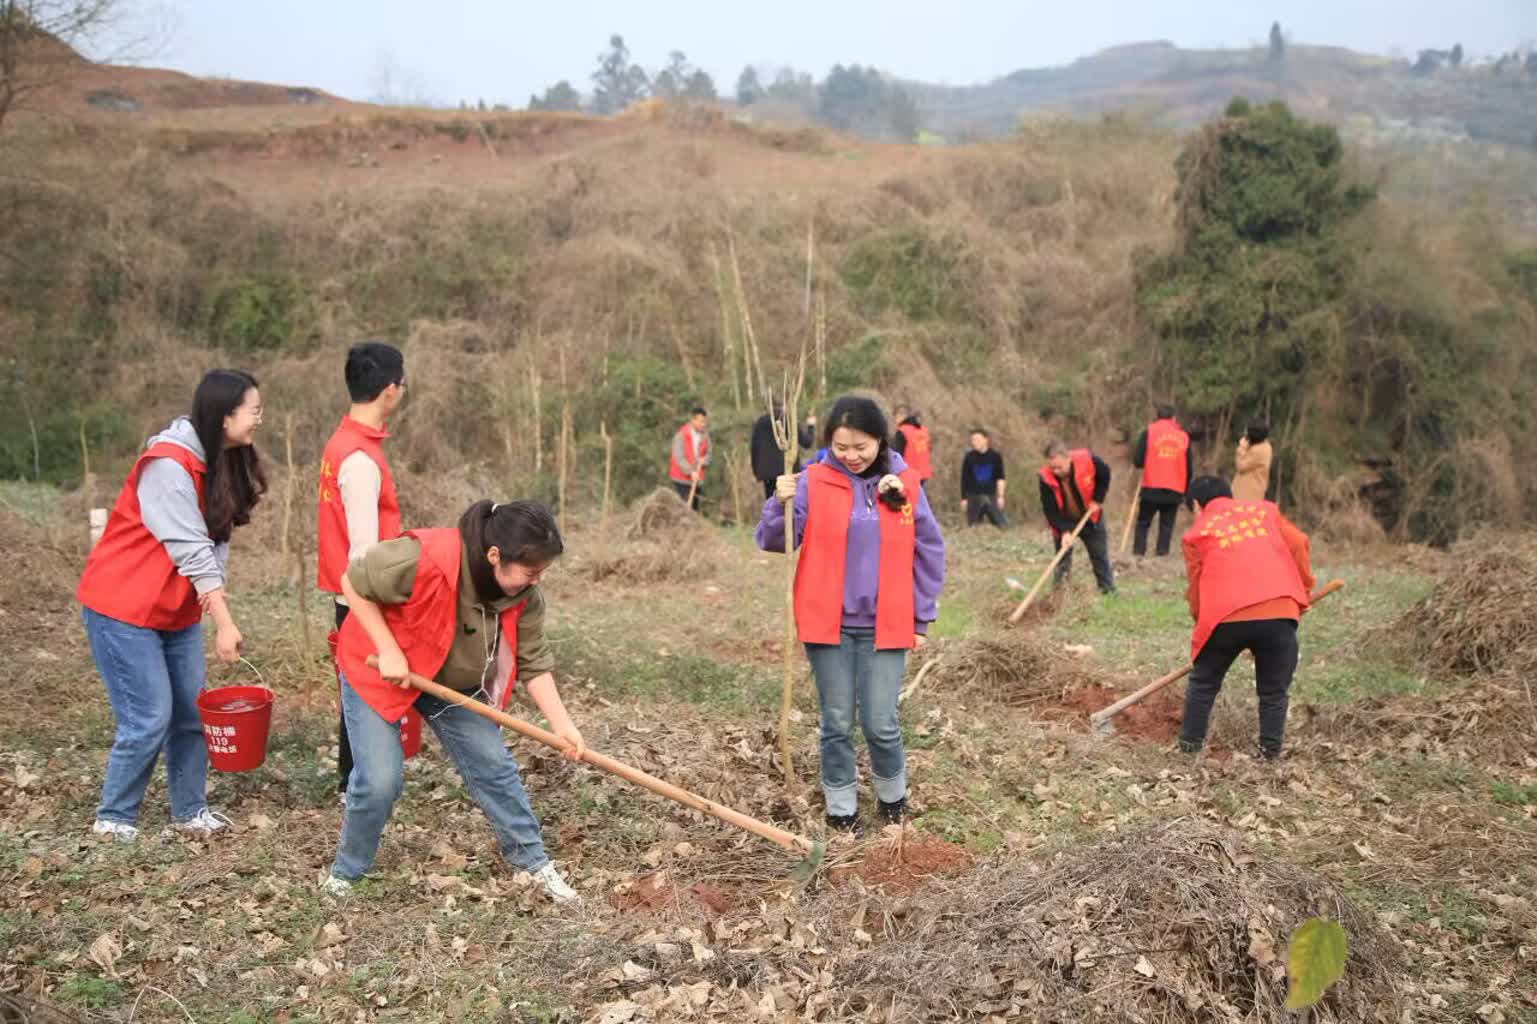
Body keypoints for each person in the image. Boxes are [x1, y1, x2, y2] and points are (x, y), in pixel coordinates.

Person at [325, 500, 585, 901]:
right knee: (379, 781)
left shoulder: (524, 596)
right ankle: (348, 872)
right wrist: (388, 647)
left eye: (542, 573)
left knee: (494, 765)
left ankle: (534, 862)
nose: (536, 581)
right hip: (380, 667)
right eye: (531, 571)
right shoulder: (424, 557)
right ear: (495, 555)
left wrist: (563, 726)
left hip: (451, 680)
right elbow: (352, 582)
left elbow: (534, 663)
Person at [76, 370, 267, 842]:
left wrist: (210, 601)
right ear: (225, 416)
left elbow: (216, 544)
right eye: (255, 410)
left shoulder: (222, 462)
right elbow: (189, 548)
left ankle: (189, 810)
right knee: (149, 716)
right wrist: (224, 621)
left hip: (174, 611)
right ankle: (114, 818)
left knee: (189, 713)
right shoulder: (168, 465)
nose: (260, 419)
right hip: (123, 607)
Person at [756, 397, 946, 832]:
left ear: (880, 439)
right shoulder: (811, 481)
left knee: (880, 722)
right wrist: (778, 502)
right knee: (837, 722)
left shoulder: (905, 484)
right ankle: (841, 808)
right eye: (841, 447)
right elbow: (775, 540)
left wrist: (921, 617)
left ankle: (893, 799)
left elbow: (929, 550)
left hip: (888, 622)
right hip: (828, 623)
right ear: (829, 444)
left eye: (861, 446)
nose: (851, 456)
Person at [318, 341, 407, 795]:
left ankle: (352, 780)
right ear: (391, 390)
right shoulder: (359, 459)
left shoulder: (343, 442)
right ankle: (357, 784)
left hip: (348, 595)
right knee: (364, 695)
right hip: (359, 598)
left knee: (357, 691)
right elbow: (363, 554)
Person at [1180, 476, 1315, 760]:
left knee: (1203, 682)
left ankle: (1189, 750)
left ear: (1196, 505)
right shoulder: (1266, 511)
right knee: (1273, 692)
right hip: (1279, 610)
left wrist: (1203, 625)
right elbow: (1300, 543)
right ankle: (1269, 756)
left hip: (1224, 615)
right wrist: (1302, 591)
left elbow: (1196, 587)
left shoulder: (1197, 532)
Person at [1038, 441, 1116, 594]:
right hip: (1064, 520)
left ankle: (1108, 592)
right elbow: (1050, 510)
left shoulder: (1087, 460)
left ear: (1068, 458)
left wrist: (1097, 499)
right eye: (1052, 467)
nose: (1056, 471)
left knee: (1099, 556)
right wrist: (1064, 531)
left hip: (1090, 517)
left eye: (1059, 467)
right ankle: (1059, 595)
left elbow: (1105, 473)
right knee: (1062, 560)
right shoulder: (1045, 478)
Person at [1131, 404, 1192, 557]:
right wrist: (1185, 490)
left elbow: (1138, 461)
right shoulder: (1183, 436)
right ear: (1173, 418)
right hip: (1175, 487)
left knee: (1143, 523)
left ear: (1157, 416)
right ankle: (1162, 555)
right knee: (1166, 525)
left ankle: (1138, 554)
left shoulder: (1149, 432)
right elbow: (1189, 467)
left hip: (1151, 484)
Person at [750, 400, 817, 501]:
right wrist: (811, 426)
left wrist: (756, 472)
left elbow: (754, 449)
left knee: (772, 504)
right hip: (788, 471)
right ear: (784, 406)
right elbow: (807, 443)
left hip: (768, 474)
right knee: (791, 504)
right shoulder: (789, 421)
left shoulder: (760, 423)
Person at [960, 428, 1008, 528]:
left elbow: (1000, 477)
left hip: (991, 495)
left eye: (977, 439)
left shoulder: (995, 456)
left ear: (986, 440)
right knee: (973, 526)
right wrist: (964, 498)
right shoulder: (969, 457)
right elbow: (964, 479)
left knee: (1002, 525)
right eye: (972, 440)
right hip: (973, 496)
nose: (974, 443)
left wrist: (1001, 496)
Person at [668, 407, 711, 510]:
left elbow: (709, 454)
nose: (703, 424)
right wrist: (690, 471)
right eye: (700, 421)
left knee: (694, 508)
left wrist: (704, 460)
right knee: (684, 508)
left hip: (697, 479)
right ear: (693, 420)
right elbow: (679, 458)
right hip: (681, 479)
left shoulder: (705, 437)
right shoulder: (680, 436)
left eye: (704, 421)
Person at [889, 405, 934, 490]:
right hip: (924, 472)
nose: (895, 420)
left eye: (896, 417)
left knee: (909, 501)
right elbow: (929, 449)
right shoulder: (923, 430)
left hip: (909, 474)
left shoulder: (902, 431)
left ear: (900, 416)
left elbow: (897, 455)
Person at [1233, 421, 1274, 502]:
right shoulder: (1262, 446)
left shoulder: (1260, 450)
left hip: (1249, 492)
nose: (1245, 434)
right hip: (1244, 489)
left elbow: (1241, 466)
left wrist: (1241, 448)